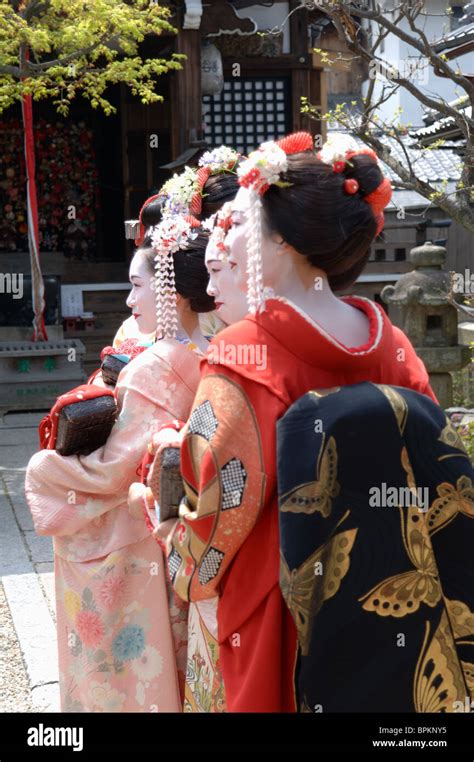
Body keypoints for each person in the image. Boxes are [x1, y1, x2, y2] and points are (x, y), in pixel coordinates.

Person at [156, 132, 439, 712]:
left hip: (283, 610)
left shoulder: (243, 356)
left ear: (281, 240)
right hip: (394, 591)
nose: (234, 240)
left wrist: (177, 555)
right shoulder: (396, 348)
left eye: (248, 223)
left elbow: (217, 509)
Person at [25, 217, 214, 712]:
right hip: (184, 534)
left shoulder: (155, 368)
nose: (129, 301)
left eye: (136, 286)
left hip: (138, 543)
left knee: (128, 674)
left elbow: (113, 471)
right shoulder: (211, 352)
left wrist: (45, 472)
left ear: (170, 289)